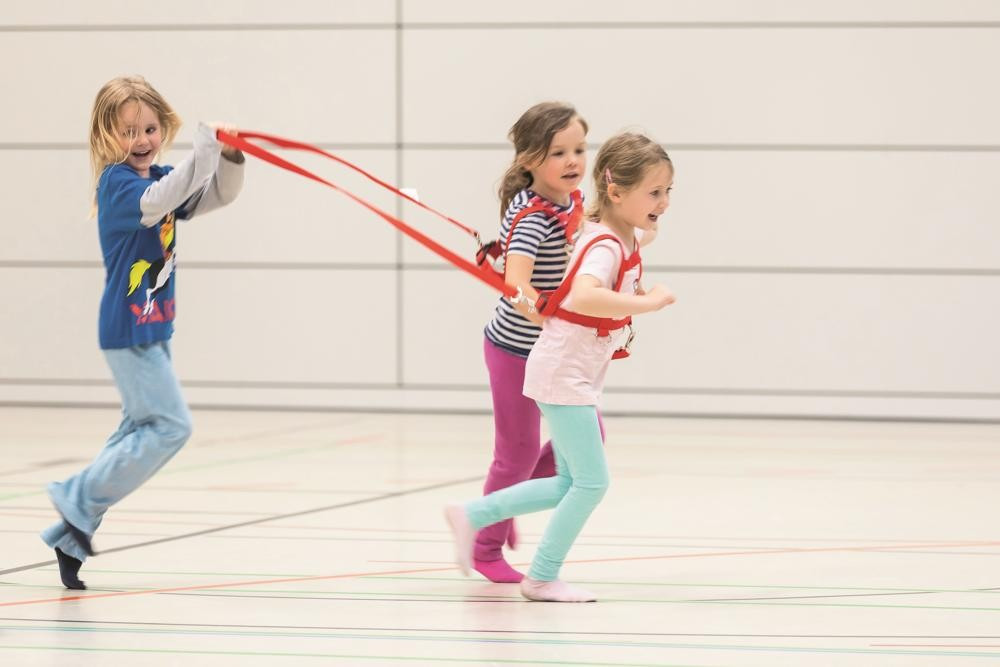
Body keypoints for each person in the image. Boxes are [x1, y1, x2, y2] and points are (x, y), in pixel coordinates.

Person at [447, 132, 675, 601]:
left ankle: (472, 514)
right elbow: (586, 295)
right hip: (563, 373)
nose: (664, 202)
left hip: (570, 370)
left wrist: (646, 222)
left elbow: (641, 232)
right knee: (592, 483)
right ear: (616, 193)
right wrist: (647, 303)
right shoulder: (606, 245)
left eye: (669, 191)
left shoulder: (617, 231)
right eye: (654, 192)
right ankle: (542, 576)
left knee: (567, 483)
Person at [41, 75, 245, 589]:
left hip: (154, 325)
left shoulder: (160, 176)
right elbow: (162, 198)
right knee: (171, 427)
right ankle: (75, 499)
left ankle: (71, 535)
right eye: (129, 131)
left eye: (150, 128)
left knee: (136, 432)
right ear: (107, 137)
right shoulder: (118, 184)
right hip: (127, 328)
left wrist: (232, 158)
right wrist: (205, 147)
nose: (142, 140)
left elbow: (212, 194)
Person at [475, 102, 590, 583]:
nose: (572, 161)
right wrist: (541, 309)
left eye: (579, 149)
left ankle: (508, 499)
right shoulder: (533, 219)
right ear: (528, 160)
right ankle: (484, 547)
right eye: (557, 152)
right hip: (515, 350)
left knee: (589, 444)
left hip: (553, 353)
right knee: (516, 455)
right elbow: (516, 283)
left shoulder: (570, 202)